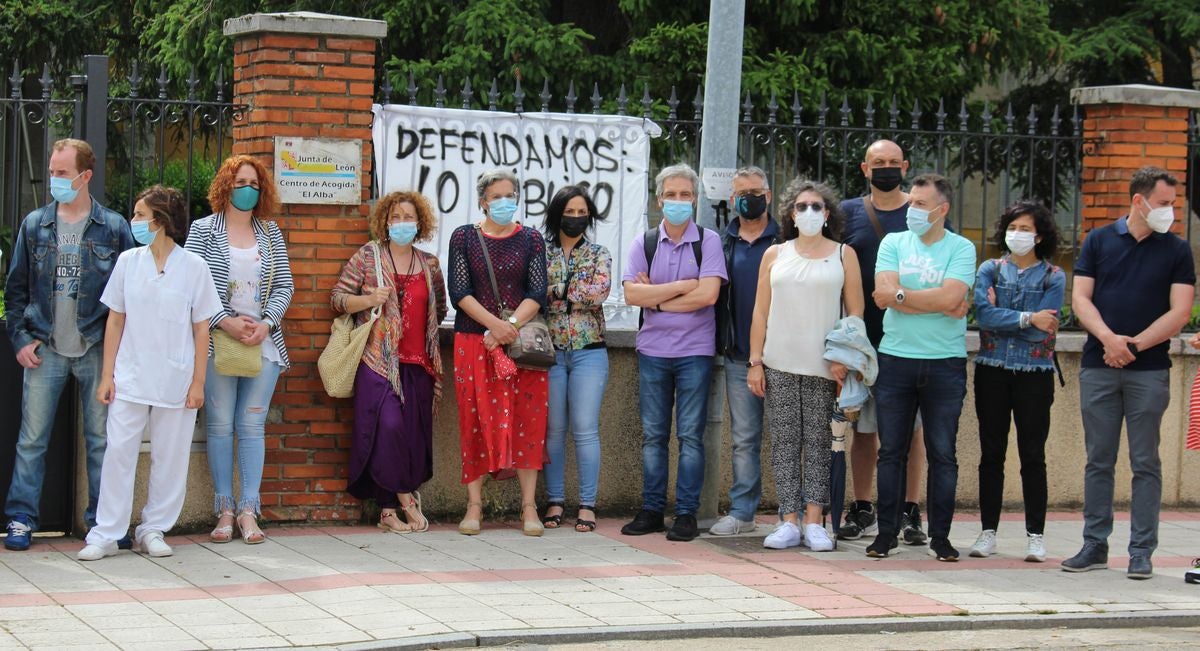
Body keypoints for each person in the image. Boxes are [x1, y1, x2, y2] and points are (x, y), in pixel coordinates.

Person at [1063, 166, 1195, 580]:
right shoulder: (1099, 240)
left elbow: (1180, 311)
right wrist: (1109, 340)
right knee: (1098, 460)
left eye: (1172, 204)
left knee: (1145, 462)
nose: (1169, 212)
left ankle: (1141, 551)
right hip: (1099, 367)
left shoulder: (1177, 250)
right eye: (1163, 204)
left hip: (1150, 370)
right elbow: (1081, 299)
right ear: (1138, 201)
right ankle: (1094, 544)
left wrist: (1134, 345)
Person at [4, 138, 135, 551]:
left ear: (85, 175)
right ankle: (21, 518)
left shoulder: (113, 228)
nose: (54, 179)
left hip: (96, 348)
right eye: (52, 170)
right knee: (32, 439)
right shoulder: (35, 224)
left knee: (101, 440)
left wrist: (120, 356)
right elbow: (16, 289)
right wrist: (21, 339)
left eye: (62, 172)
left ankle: (103, 524)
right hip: (45, 349)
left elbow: (129, 295)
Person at [77, 186, 222, 560]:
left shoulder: (194, 268)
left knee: (170, 457)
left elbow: (202, 327)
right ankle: (106, 533)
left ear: (160, 221)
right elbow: (115, 320)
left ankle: (154, 528)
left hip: (177, 378)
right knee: (118, 453)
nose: (135, 221)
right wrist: (108, 375)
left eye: (140, 215)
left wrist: (198, 382)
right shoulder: (128, 262)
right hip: (130, 375)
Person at [747, 179, 864, 552]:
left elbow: (856, 311)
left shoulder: (844, 254)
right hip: (779, 362)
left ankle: (815, 520)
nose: (809, 212)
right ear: (791, 214)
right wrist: (756, 362)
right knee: (783, 442)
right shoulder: (775, 254)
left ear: (827, 214)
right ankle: (788, 520)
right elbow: (760, 311)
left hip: (825, 367)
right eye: (802, 206)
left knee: (818, 443)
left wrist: (845, 359)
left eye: (817, 206)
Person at [837, 140, 941, 546]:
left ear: (906, 166)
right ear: (864, 167)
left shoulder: (920, 213)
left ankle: (909, 510)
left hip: (911, 339)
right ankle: (863, 507)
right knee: (864, 429)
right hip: (864, 339)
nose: (886, 168)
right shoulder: (847, 213)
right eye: (878, 163)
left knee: (911, 431)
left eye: (893, 163)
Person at [186, 155, 293, 545]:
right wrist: (223, 321)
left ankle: (249, 510)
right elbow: (193, 286)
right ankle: (224, 510)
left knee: (250, 425)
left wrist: (266, 324)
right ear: (225, 185)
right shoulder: (202, 230)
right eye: (240, 181)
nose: (246, 188)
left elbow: (285, 286)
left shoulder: (270, 232)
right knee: (218, 426)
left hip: (262, 346)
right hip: (217, 342)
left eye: (253, 183)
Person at [868, 173, 975, 561]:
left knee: (942, 453)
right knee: (890, 451)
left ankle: (941, 538)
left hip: (944, 364)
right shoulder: (893, 242)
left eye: (919, 204)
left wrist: (901, 296)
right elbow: (882, 294)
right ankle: (885, 534)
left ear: (941, 210)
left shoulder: (961, 248)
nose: (911, 209)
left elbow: (952, 296)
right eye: (911, 201)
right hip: (896, 359)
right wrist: (927, 300)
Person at [620, 163, 727, 542]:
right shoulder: (644, 242)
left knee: (691, 436)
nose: (678, 201)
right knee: (653, 435)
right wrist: (684, 287)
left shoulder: (708, 241)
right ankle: (651, 510)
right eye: (671, 195)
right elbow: (633, 294)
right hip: (653, 351)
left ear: (695, 200)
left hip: (695, 352)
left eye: (685, 195)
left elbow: (709, 295)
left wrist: (658, 298)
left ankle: (685, 514)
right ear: (659, 199)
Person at [331, 191, 447, 533]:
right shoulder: (368, 257)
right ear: (384, 222)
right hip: (377, 362)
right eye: (395, 217)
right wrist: (369, 299)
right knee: (389, 427)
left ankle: (386, 511)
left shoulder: (429, 264)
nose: (401, 223)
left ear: (420, 223)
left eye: (408, 217)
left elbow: (439, 310)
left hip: (419, 364)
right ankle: (406, 499)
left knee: (410, 437)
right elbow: (338, 299)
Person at [448, 168, 549, 537]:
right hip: (474, 342)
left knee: (528, 420)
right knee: (473, 419)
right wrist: (494, 326)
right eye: (496, 196)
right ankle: (474, 505)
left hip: (522, 347)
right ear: (482, 201)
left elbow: (537, 292)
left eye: (510, 195)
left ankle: (528, 506)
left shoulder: (532, 239)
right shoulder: (464, 238)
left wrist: (510, 329)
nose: (504, 202)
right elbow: (459, 291)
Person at [969, 201, 1065, 562]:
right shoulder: (990, 270)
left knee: (1032, 454)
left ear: (1039, 235)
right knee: (991, 452)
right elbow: (985, 316)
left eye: (1026, 229)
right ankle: (987, 532)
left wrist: (1010, 320)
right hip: (992, 369)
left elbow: (1045, 333)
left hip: (1035, 374)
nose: (1018, 234)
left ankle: (1035, 536)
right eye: (1013, 227)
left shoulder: (1053, 275)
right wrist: (1029, 317)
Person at [710, 166, 781, 536]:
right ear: (732, 198)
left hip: (786, 355)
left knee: (792, 436)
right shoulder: (723, 242)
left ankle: (794, 514)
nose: (748, 199)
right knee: (744, 439)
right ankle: (742, 513)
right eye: (741, 193)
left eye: (755, 191)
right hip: (739, 356)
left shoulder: (786, 240)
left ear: (768, 195)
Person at [540, 186, 611, 533]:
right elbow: (534, 292)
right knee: (552, 431)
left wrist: (559, 291)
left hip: (589, 353)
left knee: (585, 430)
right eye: (569, 212)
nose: (576, 218)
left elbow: (599, 292)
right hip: (549, 353)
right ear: (557, 215)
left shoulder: (599, 253)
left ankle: (587, 504)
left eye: (582, 211)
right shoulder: (541, 252)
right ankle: (554, 500)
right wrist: (564, 293)